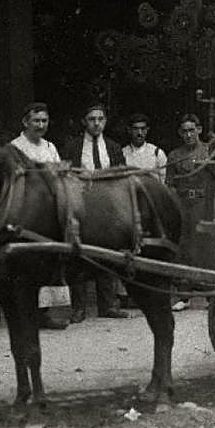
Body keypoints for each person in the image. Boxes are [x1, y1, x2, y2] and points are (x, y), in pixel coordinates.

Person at [61, 104, 127, 322]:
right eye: (91, 119)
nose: (96, 123)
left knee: (108, 253)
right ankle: (79, 308)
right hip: (81, 207)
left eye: (100, 119)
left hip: (107, 209)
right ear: (84, 122)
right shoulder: (72, 147)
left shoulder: (114, 148)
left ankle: (107, 305)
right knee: (78, 254)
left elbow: (122, 178)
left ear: (105, 121)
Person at [8, 102, 71, 330]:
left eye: (44, 121)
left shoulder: (49, 147)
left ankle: (45, 313)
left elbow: (58, 174)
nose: (41, 125)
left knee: (48, 262)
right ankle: (26, 314)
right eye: (36, 121)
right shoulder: (14, 148)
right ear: (25, 122)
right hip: (24, 212)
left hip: (47, 211)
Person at [167, 114, 215, 307]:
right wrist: (175, 205)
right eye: (184, 131)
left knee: (208, 247)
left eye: (192, 130)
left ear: (199, 129)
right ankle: (183, 295)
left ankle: (213, 295)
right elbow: (170, 183)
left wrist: (213, 197)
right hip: (183, 204)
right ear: (180, 133)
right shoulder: (174, 155)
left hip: (204, 204)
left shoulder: (210, 151)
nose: (188, 135)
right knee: (184, 246)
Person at [121, 113, 167, 182]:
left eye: (143, 129)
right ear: (129, 130)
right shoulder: (123, 153)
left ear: (147, 130)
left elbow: (164, 180)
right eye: (135, 129)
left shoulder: (157, 153)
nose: (139, 133)